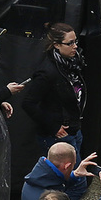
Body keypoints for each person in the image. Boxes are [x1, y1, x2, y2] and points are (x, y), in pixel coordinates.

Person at [20, 24, 87, 153]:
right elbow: (28, 103)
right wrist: (53, 126)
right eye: (70, 43)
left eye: (76, 41)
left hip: (74, 129)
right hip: (58, 136)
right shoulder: (47, 72)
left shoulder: (71, 64)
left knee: (77, 170)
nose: (75, 46)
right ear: (56, 44)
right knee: (71, 172)